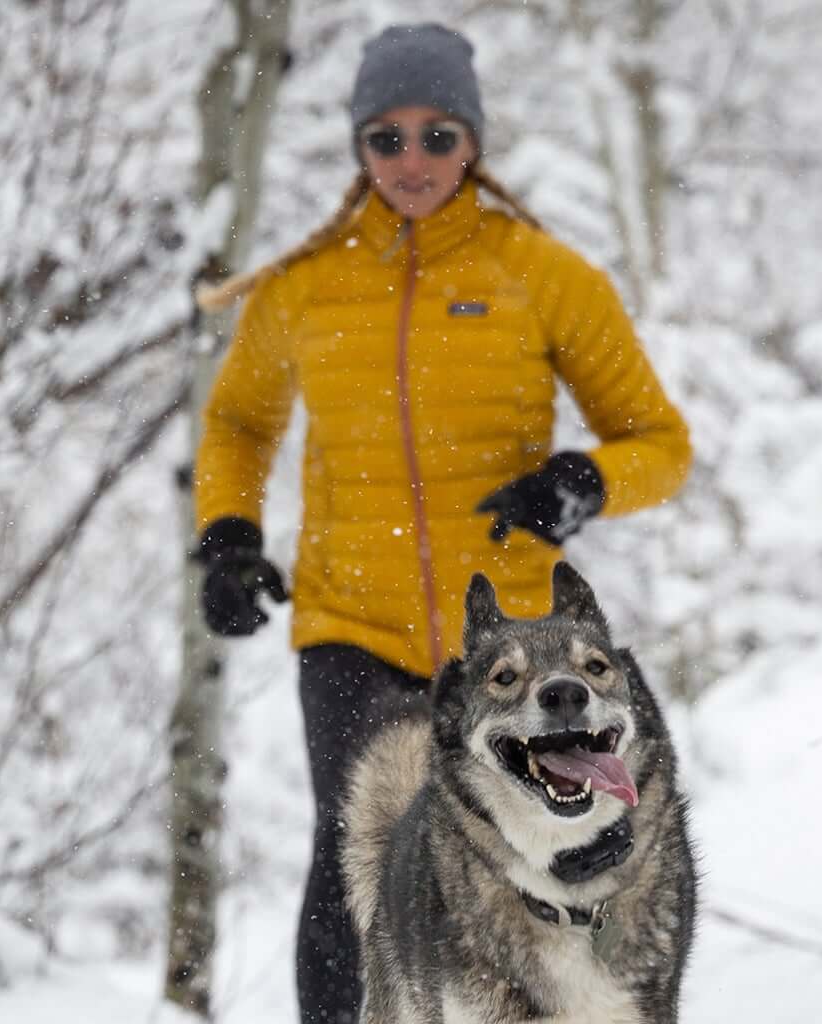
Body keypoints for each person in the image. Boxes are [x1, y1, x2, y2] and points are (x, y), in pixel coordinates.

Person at [190, 22, 692, 1024]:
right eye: (385, 138)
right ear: (357, 146)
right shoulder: (305, 285)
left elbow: (658, 441)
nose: (410, 161)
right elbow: (238, 421)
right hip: (351, 626)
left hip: (507, 638)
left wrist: (581, 482)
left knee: (532, 860)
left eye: (434, 135)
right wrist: (229, 537)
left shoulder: (542, 275)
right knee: (358, 852)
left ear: (471, 141)